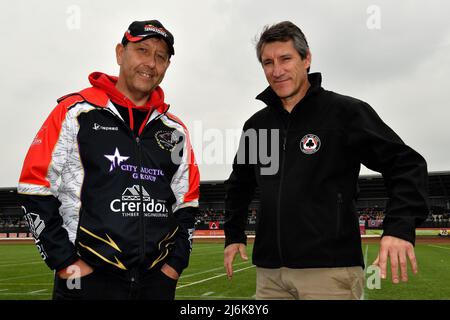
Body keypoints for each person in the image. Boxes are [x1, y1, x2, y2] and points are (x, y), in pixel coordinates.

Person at [223, 21, 429, 300]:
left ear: (306, 59)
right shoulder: (257, 126)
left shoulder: (344, 113)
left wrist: (399, 227)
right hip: (269, 273)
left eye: (286, 59)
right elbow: (240, 185)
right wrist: (234, 234)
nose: (277, 70)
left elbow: (405, 164)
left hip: (329, 270)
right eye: (267, 62)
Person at [18, 19, 200, 300]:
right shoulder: (75, 113)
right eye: (143, 50)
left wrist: (174, 266)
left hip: (156, 284)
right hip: (86, 281)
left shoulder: (175, 131)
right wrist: (65, 263)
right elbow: (34, 186)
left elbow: (186, 203)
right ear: (119, 53)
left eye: (161, 57)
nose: (151, 63)